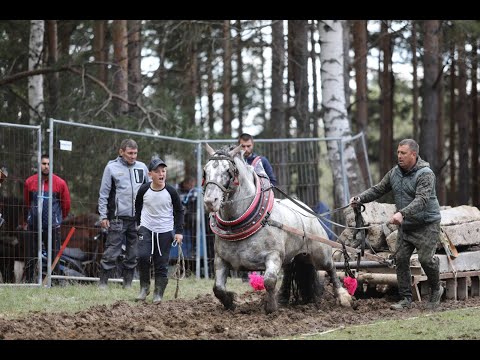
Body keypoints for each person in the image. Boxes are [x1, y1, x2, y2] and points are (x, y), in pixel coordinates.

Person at [350, 139, 443, 310]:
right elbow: (378, 189)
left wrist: (402, 213)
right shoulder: (395, 173)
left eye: (403, 153)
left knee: (425, 260)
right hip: (407, 225)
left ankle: (437, 289)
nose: (399, 156)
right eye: (398, 152)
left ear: (413, 155)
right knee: (400, 259)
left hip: (427, 224)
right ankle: (405, 299)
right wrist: (360, 198)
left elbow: (421, 200)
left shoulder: (425, 174)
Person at [97, 139, 149, 289]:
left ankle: (127, 284)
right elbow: (104, 194)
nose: (133, 156)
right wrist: (103, 216)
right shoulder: (111, 168)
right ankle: (103, 283)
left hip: (137, 220)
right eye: (130, 153)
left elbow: (148, 190)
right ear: (121, 152)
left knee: (133, 253)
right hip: (117, 219)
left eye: (135, 153)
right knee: (112, 251)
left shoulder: (142, 167)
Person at [135, 158, 184, 303]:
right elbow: (137, 207)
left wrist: (179, 232)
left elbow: (179, 211)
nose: (161, 174)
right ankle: (144, 287)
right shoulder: (144, 189)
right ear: (150, 174)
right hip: (146, 227)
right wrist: (138, 225)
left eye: (163, 171)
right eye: (157, 172)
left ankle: (158, 292)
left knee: (161, 262)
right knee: (143, 257)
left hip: (165, 230)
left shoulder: (171, 192)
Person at [24, 154, 71, 282]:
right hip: (33, 225)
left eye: (49, 164)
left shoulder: (60, 183)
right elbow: (27, 202)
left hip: (52, 226)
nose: (46, 166)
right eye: (44, 164)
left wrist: (57, 218)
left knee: (54, 255)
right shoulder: (29, 182)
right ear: (39, 165)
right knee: (31, 255)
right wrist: (30, 216)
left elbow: (66, 204)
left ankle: (54, 282)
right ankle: (30, 282)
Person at [171, 176, 197, 259]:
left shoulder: (194, 191)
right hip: (176, 214)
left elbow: (194, 206)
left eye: (193, 184)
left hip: (188, 215)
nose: (192, 186)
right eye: (190, 184)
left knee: (194, 221)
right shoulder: (176, 189)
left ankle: (194, 248)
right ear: (185, 183)